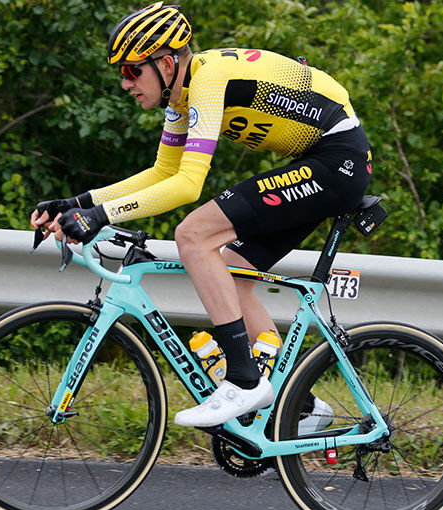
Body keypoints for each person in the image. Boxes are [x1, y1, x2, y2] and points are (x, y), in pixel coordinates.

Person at [31, 2, 370, 428]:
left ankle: (244, 380)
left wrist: (102, 216)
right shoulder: (181, 94)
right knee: (232, 273)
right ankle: (301, 410)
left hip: (336, 162)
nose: (125, 83)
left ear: (166, 63)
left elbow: (188, 184)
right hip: (321, 163)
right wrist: (79, 203)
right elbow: (163, 172)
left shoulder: (208, 79)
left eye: (132, 70)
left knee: (193, 235)